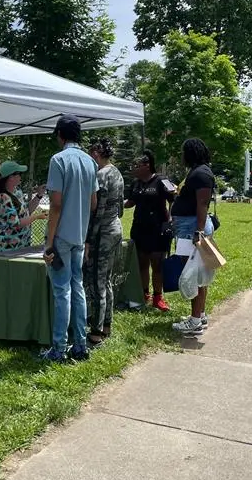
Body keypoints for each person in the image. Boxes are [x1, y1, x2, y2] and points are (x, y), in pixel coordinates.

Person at [42, 115, 98, 363]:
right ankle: (81, 345)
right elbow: (94, 202)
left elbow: (55, 204)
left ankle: (58, 347)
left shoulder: (58, 160)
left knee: (62, 291)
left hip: (62, 234)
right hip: (80, 233)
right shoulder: (90, 162)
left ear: (60, 135)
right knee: (78, 289)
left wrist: (49, 242)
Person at [171, 138, 216, 336]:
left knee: (193, 274)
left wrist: (198, 231)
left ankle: (195, 320)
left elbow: (203, 204)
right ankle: (200, 315)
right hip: (189, 227)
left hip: (192, 229)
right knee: (199, 273)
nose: (182, 157)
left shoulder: (201, 174)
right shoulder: (198, 171)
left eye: (183, 152)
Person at [83, 138, 124, 347]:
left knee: (98, 282)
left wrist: (89, 240)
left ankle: (96, 332)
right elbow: (121, 209)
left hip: (103, 233)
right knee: (107, 280)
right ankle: (107, 324)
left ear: (97, 153)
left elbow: (96, 212)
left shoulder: (100, 175)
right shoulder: (117, 172)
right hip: (116, 228)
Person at [124, 149, 174, 311]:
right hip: (139, 229)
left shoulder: (161, 181)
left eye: (136, 165)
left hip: (158, 229)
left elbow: (173, 199)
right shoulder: (136, 184)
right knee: (141, 263)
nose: (133, 168)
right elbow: (130, 203)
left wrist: (171, 220)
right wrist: (115, 201)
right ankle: (144, 294)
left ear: (147, 166)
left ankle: (158, 297)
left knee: (157, 264)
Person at [0, 161, 46, 254]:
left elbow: (27, 212)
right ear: (11, 177)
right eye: (19, 174)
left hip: (20, 245)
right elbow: (16, 224)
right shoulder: (3, 198)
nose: (21, 177)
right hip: (5, 247)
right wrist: (37, 216)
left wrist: (39, 195)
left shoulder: (17, 192)